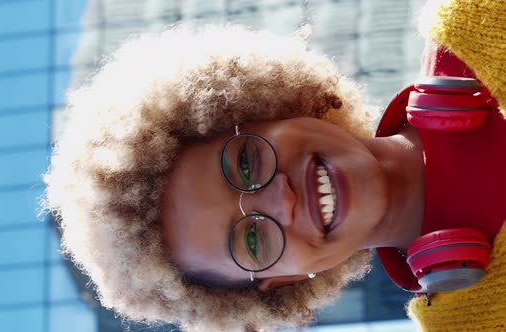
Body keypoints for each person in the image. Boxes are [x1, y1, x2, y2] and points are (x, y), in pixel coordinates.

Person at [43, 0, 506, 331]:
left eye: (245, 163)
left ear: (271, 106)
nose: (281, 199)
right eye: (252, 239)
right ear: (280, 280)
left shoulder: (479, 19)